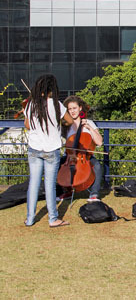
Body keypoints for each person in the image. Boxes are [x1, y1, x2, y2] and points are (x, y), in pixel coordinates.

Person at [24, 74, 74, 227]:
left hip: (34, 148)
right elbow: (70, 121)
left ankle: (30, 218)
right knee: (50, 185)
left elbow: (27, 125)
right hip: (51, 149)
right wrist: (60, 123)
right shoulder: (56, 105)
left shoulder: (31, 104)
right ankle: (53, 218)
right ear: (52, 89)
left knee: (34, 182)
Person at [57, 95, 104, 202]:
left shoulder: (89, 122)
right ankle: (66, 191)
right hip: (69, 156)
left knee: (97, 165)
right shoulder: (66, 126)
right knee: (56, 164)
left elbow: (99, 142)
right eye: (70, 109)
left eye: (74, 108)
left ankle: (94, 194)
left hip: (85, 156)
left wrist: (89, 128)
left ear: (80, 108)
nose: (72, 111)